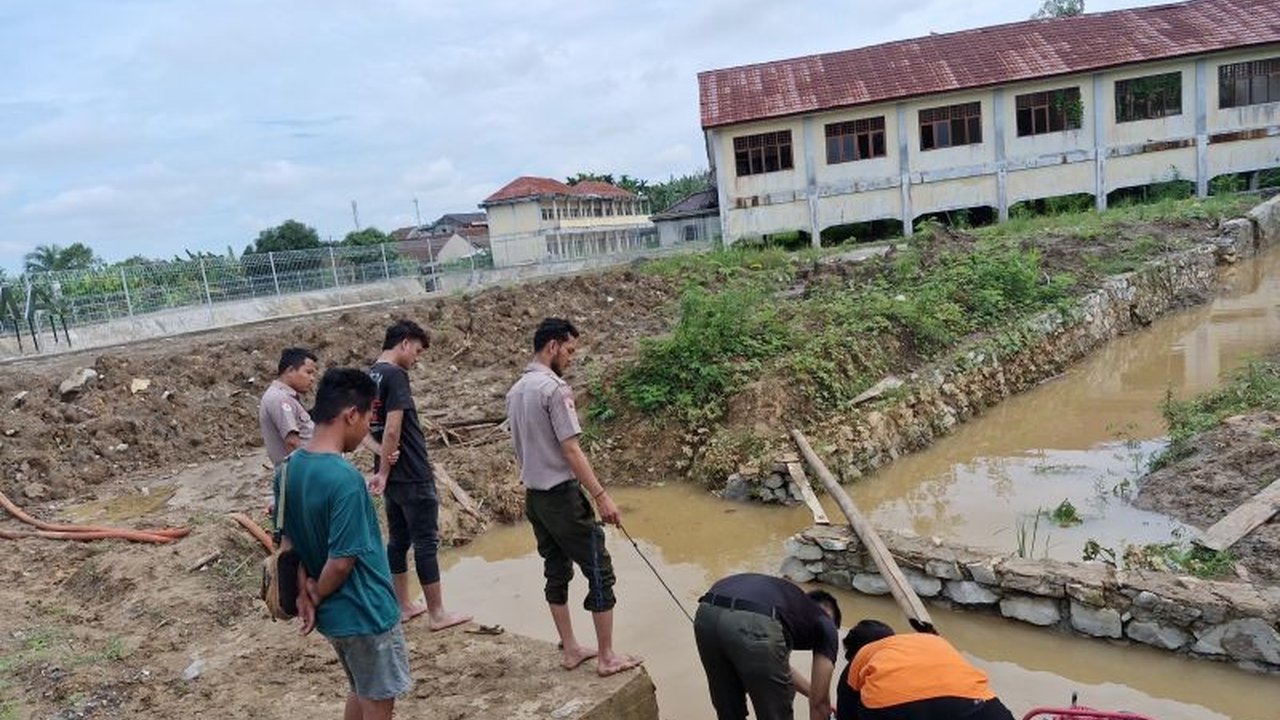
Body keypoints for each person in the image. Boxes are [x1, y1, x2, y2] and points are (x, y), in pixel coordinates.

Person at [505, 317, 641, 677]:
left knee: (555, 570)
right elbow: (571, 449)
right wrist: (601, 496)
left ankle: (571, 649)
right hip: (562, 498)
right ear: (552, 346)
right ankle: (607, 656)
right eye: (569, 350)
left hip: (535, 499)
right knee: (600, 570)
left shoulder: (516, 391)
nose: (570, 358)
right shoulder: (554, 390)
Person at [275, 368, 411, 720]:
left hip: (335, 618)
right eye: (367, 420)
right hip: (366, 611)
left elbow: (289, 544)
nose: (367, 430)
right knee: (378, 699)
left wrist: (305, 596)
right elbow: (341, 561)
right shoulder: (345, 479)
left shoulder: (288, 469)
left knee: (361, 688)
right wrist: (315, 593)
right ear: (351, 415)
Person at [367, 319, 470, 630]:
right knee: (426, 541)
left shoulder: (370, 375)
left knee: (398, 540)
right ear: (404, 343)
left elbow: (361, 427)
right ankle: (438, 613)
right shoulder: (395, 375)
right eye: (417, 351)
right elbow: (393, 428)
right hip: (411, 472)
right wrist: (385, 468)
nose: (416, 358)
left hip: (392, 478)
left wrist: (381, 464)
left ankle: (403, 605)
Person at [693, 572, 842, 720]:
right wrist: (822, 705)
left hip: (706, 611)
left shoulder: (790, 605)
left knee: (729, 710)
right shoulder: (826, 623)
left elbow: (780, 667)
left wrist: (812, 693)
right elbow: (819, 703)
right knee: (776, 712)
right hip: (755, 620)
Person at [837, 619, 1015, 720]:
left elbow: (846, 714)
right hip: (980, 706)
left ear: (854, 651)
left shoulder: (863, 656)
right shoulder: (930, 640)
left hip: (895, 710)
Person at [258, 347, 318, 467]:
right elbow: (292, 442)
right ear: (290, 370)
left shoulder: (283, 396)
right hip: (303, 469)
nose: (312, 379)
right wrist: (308, 472)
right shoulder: (280, 398)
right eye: (308, 372)